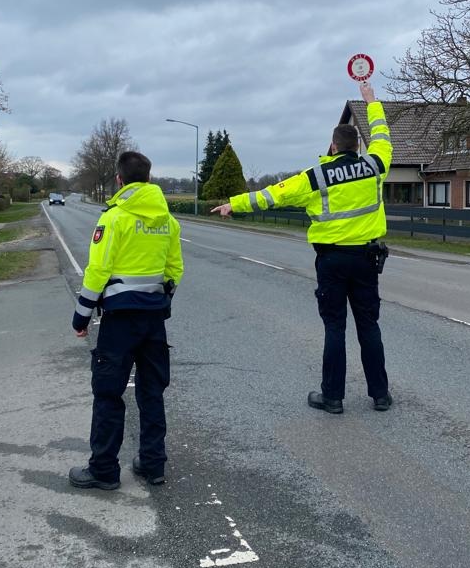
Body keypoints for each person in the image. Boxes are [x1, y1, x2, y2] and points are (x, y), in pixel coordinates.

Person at [211, 81, 393, 414]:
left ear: (334, 146)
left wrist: (234, 205)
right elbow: (382, 136)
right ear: (358, 145)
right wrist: (371, 101)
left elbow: (274, 194)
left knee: (335, 327)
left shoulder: (317, 176)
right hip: (367, 258)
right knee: (369, 326)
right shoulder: (375, 166)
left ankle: (333, 397)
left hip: (332, 259)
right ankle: (380, 395)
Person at [69, 151, 184, 490]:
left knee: (108, 393)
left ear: (119, 180)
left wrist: (81, 315)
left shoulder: (114, 218)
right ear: (148, 179)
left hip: (119, 321)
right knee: (152, 391)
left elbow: (98, 271)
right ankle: (153, 464)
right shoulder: (168, 220)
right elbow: (174, 270)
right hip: (153, 319)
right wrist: (160, 300)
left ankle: (104, 470)